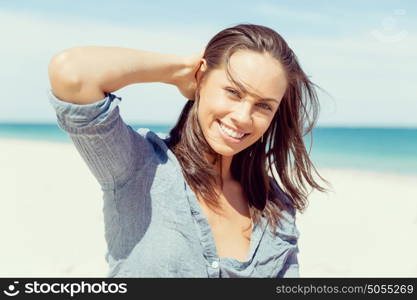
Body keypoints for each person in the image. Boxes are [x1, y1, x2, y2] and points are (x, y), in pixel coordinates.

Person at [47, 23, 328, 278]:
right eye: (233, 92)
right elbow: (71, 74)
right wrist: (178, 70)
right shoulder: (139, 166)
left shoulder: (275, 207)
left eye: (264, 106)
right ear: (201, 80)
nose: (243, 117)